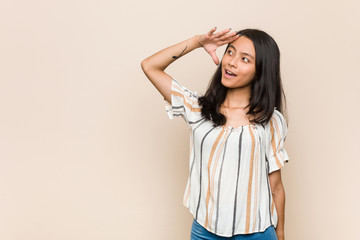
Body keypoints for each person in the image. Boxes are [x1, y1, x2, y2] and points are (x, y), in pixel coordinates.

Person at [141, 27, 290, 240]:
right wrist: (198, 41)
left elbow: (275, 186)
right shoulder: (196, 109)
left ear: (261, 70)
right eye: (230, 51)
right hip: (205, 232)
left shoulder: (271, 120)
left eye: (245, 59)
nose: (231, 61)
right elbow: (150, 66)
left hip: (257, 233)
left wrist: (281, 234)